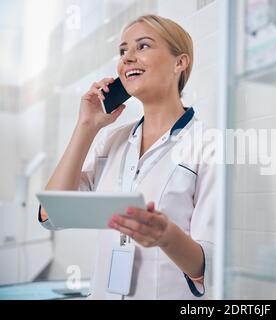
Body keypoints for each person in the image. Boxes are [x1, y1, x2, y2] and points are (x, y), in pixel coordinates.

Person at [38, 14, 216, 300]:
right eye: (123, 51)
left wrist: (166, 236)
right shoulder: (112, 139)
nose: (127, 58)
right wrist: (86, 127)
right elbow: (51, 214)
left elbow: (207, 266)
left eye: (142, 46)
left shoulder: (209, 146)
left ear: (179, 63)